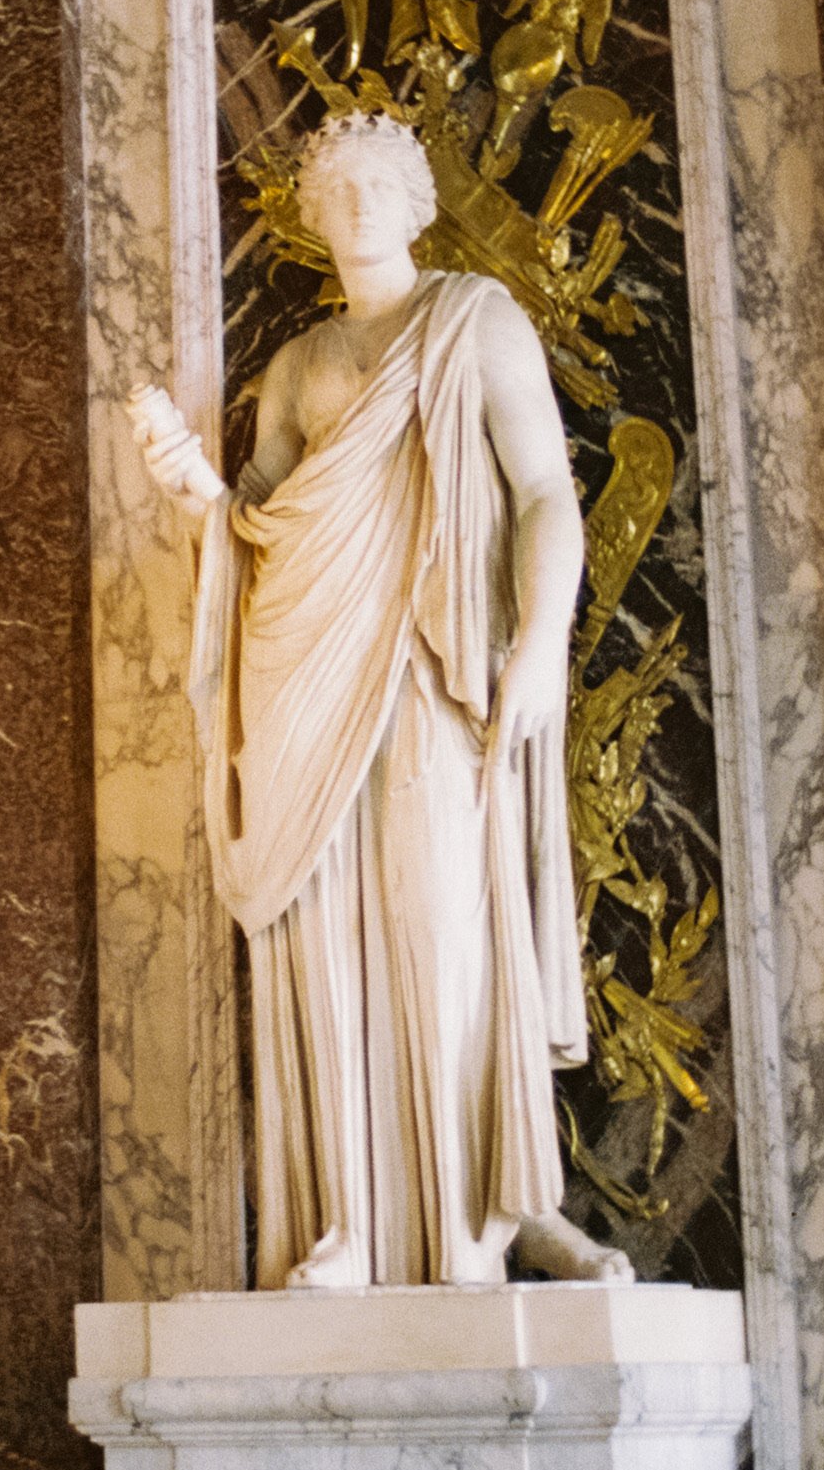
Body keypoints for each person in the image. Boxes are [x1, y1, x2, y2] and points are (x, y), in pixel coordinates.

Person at [129, 104, 631, 1289]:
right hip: (307, 690)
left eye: (374, 183)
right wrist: (186, 489)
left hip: (430, 678)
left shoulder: (474, 321)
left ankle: (474, 1221)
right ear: (309, 214)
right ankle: (348, 1224)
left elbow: (545, 495)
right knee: (329, 955)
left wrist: (541, 643)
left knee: (442, 937)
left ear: (414, 203)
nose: (352, 203)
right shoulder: (297, 366)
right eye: (333, 186)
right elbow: (252, 527)